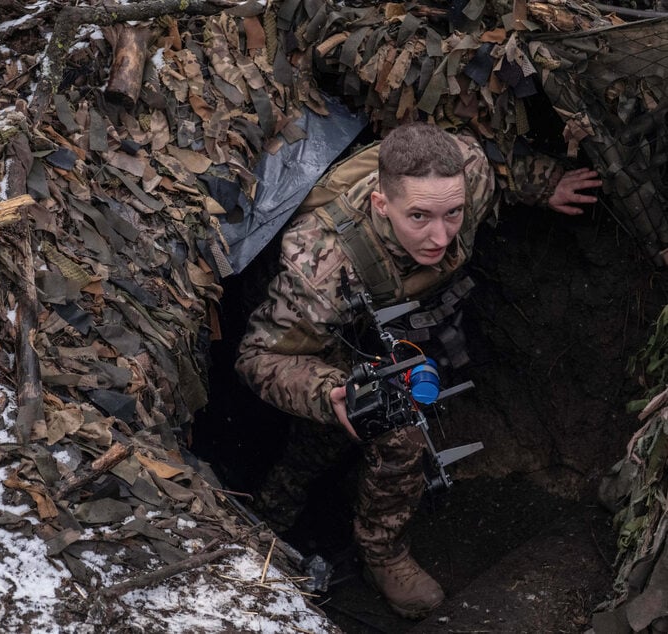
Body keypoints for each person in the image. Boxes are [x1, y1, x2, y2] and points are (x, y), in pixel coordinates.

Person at [234, 122, 602, 619]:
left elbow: (498, 162)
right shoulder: (321, 265)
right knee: (391, 427)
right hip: (319, 342)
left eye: (453, 214)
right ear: (382, 206)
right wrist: (332, 392)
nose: (441, 236)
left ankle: (288, 499)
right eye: (420, 217)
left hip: (388, 323)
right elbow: (259, 357)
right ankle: (370, 547)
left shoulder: (467, 171)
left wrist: (544, 182)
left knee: (364, 415)